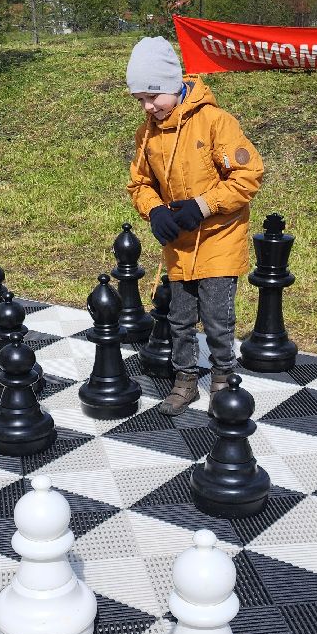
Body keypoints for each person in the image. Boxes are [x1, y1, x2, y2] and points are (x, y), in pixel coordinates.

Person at [125, 35, 263, 416]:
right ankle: (185, 381)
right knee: (179, 319)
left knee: (218, 319)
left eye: (153, 96)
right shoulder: (147, 134)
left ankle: (222, 380)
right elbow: (139, 184)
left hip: (219, 238)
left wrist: (203, 206)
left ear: (173, 84)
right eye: (139, 100)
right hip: (179, 244)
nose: (148, 106)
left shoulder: (216, 122)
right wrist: (155, 211)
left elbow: (248, 175)